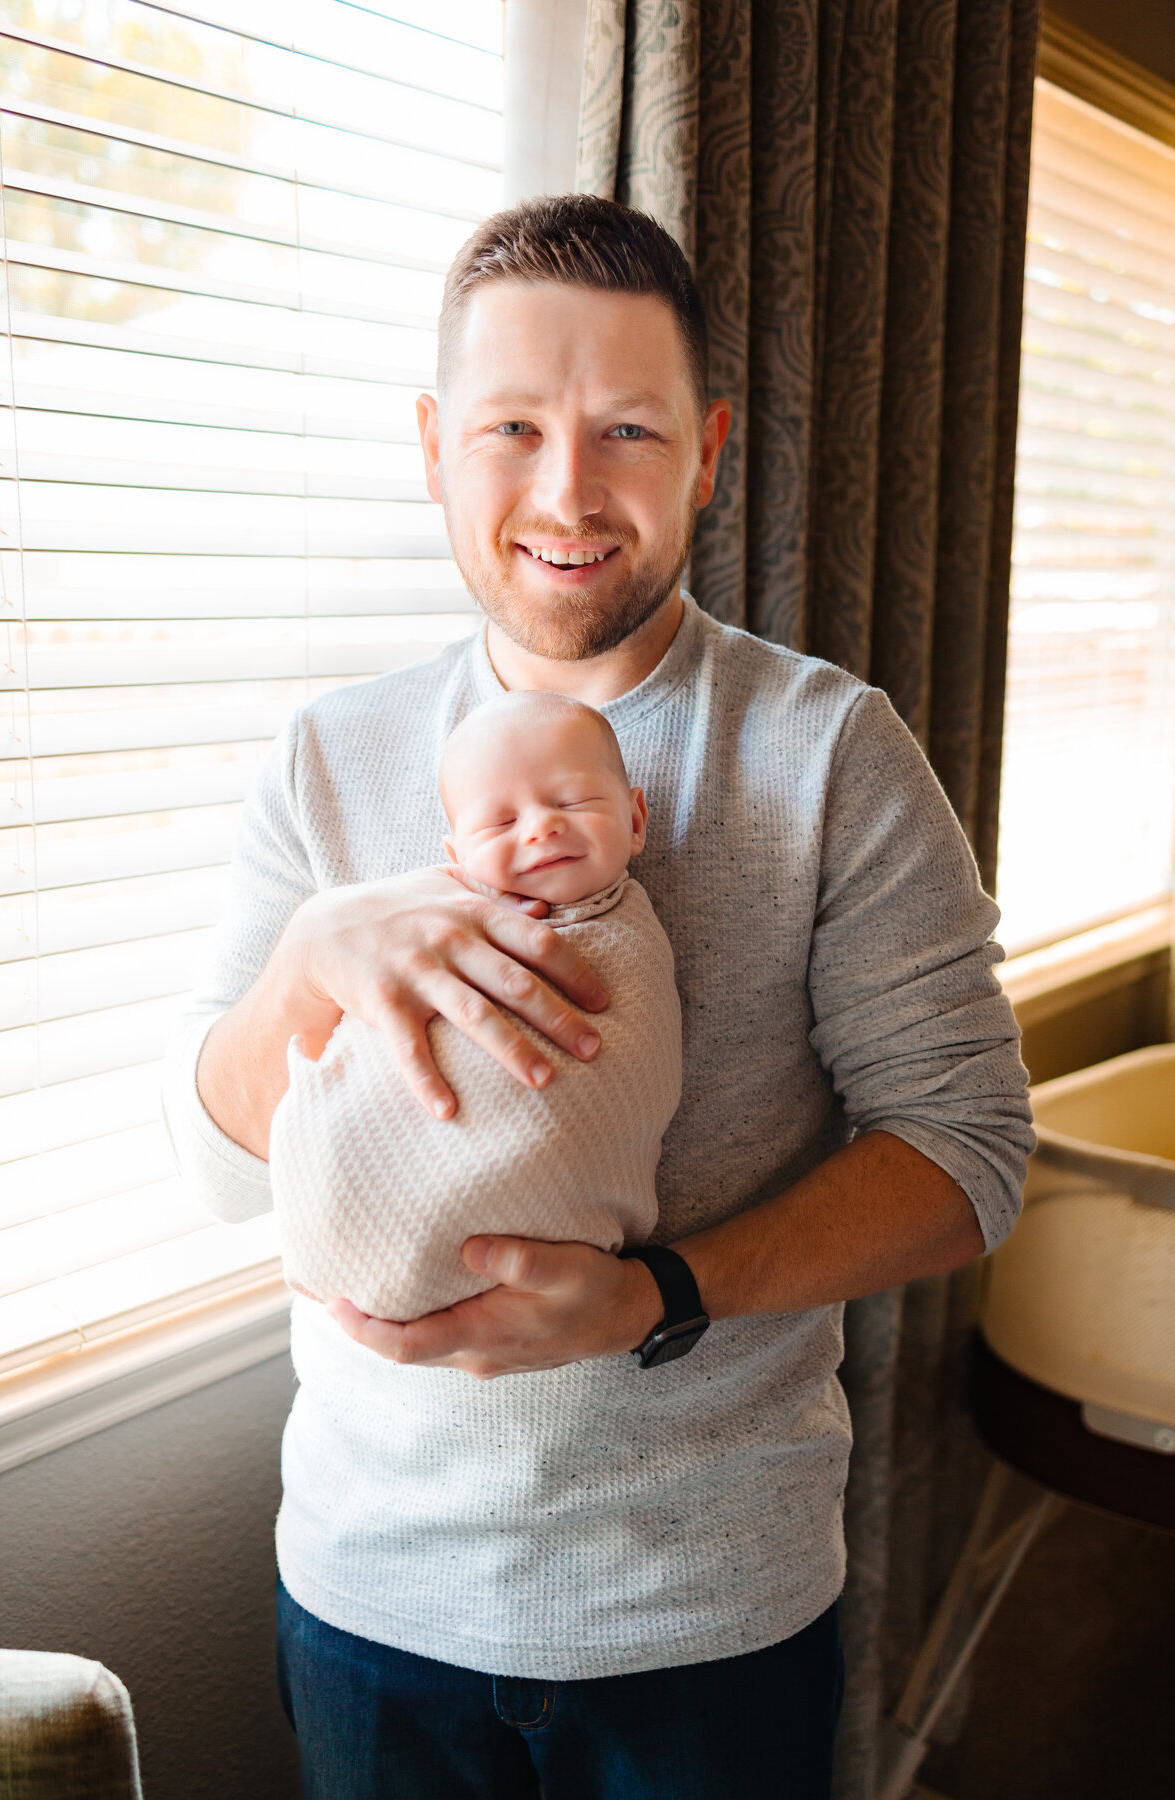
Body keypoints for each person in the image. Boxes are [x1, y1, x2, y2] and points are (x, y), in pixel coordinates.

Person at [163, 193, 1034, 1800]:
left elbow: (970, 1157)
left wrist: (664, 1294)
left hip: (710, 1620)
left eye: (628, 429)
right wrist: (308, 966)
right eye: (512, 427)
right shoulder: (328, 758)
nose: (568, 492)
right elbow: (221, 1171)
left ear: (707, 450)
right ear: (436, 445)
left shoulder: (833, 754)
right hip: (370, 1599)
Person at [269, 690, 682, 1322]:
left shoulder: (627, 935)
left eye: (572, 801)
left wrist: (646, 1302)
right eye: (499, 823)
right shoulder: (419, 915)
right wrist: (309, 949)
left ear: (636, 819)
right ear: (457, 861)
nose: (541, 827)